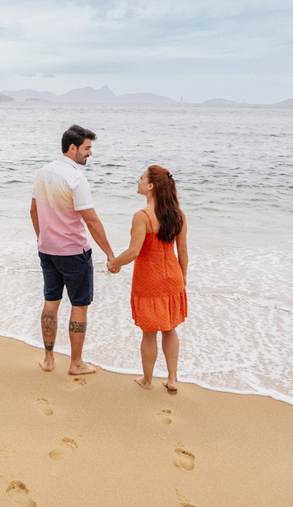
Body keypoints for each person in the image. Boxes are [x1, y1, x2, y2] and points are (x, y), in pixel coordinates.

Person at [30, 124, 115, 375]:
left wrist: (42, 238)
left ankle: (48, 360)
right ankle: (76, 364)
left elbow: (33, 211)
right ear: (73, 147)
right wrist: (110, 254)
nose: (90, 153)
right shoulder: (76, 178)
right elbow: (91, 220)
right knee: (79, 305)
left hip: (47, 250)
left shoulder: (42, 172)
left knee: (51, 302)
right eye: (87, 148)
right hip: (73, 253)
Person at [107, 165, 189, 394]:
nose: (138, 181)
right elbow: (183, 251)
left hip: (149, 280)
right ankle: (173, 379)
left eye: (141, 178)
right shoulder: (178, 214)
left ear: (151, 186)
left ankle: (148, 380)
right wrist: (183, 278)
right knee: (170, 329)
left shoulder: (142, 216)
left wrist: (113, 263)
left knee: (149, 332)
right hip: (173, 277)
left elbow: (134, 252)